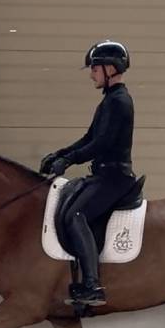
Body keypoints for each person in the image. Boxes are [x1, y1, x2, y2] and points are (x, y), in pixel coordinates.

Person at [39, 39, 138, 307]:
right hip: (103, 175)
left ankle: (92, 285)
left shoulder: (119, 102)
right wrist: (59, 155)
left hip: (115, 178)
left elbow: (101, 144)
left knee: (76, 215)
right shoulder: (109, 101)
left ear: (110, 68)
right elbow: (89, 138)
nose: (92, 75)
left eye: (94, 69)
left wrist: (69, 160)